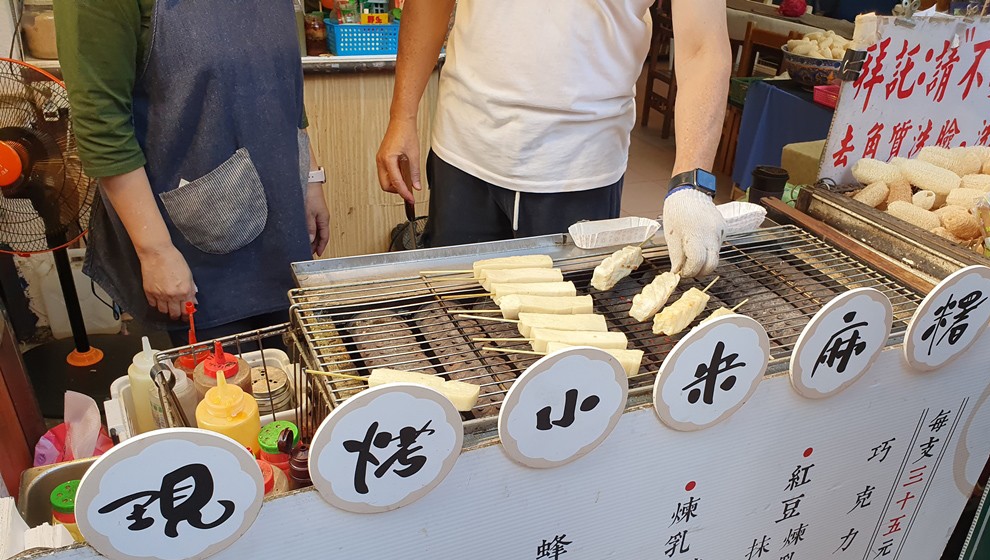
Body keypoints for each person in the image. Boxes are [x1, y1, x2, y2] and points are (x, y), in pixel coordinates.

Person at [376, 1, 730, 278]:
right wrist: (402, 115)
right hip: (463, 150)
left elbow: (702, 46)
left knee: (563, 337)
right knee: (457, 317)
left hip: (580, 166)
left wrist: (691, 182)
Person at [54, 0, 331, 345]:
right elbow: (101, 122)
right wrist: (155, 251)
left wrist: (310, 176)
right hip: (195, 242)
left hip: (283, 218)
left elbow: (281, 78)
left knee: (288, 372)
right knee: (222, 388)